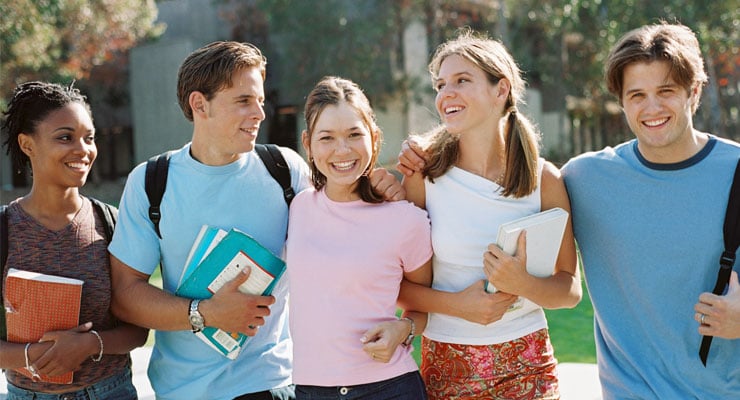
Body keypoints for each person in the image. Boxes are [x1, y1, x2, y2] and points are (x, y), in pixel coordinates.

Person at [107, 41, 405, 400]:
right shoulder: (153, 181)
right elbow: (125, 295)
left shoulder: (285, 171)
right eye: (244, 101)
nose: (260, 114)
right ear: (199, 104)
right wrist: (206, 313)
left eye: (260, 101)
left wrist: (380, 181)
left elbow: (348, 212)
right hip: (184, 390)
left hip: (274, 382)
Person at [559, 22, 740, 398]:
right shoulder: (583, 178)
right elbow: (502, 184)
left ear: (693, 92)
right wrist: (420, 165)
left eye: (666, 91)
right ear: (621, 101)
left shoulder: (736, 170)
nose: (652, 107)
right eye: (637, 95)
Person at [397, 31, 581, 399]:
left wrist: (523, 283)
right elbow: (400, 289)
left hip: (529, 366)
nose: (446, 93)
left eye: (462, 80)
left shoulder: (544, 180)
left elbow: (570, 290)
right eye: (440, 84)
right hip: (448, 366)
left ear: (501, 90)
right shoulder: (423, 177)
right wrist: (458, 307)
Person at [285, 76, 432, 399]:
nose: (342, 150)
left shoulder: (406, 219)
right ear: (308, 143)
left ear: (374, 139)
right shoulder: (297, 207)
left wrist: (403, 328)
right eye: (327, 138)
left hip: (389, 387)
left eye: (354, 134)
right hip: (311, 390)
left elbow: (425, 304)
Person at [0, 81, 148, 399]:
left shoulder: (113, 223)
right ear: (27, 145)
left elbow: (139, 329)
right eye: (65, 137)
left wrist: (89, 344)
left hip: (111, 392)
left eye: (89, 138)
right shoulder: (4, 229)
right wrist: (33, 355)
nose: (83, 150)